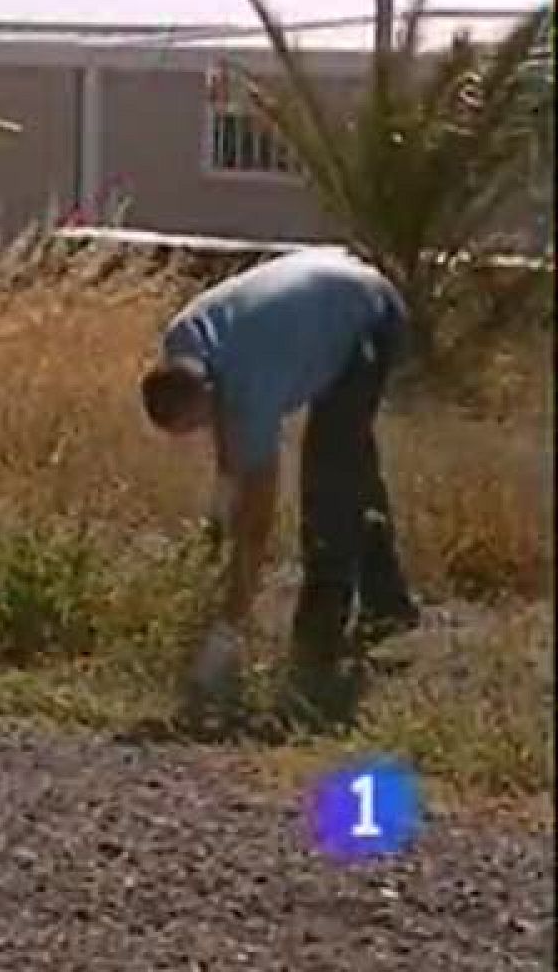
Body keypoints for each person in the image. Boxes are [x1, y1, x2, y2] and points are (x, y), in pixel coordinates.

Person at [138, 247, 422, 712]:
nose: (202, 435)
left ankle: (317, 645)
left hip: (369, 313)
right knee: (348, 464)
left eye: (198, 424)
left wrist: (226, 631)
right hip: (319, 289)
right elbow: (228, 448)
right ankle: (388, 606)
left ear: (208, 397)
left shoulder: (250, 388)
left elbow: (256, 528)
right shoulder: (183, 343)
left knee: (328, 482)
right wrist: (216, 517)